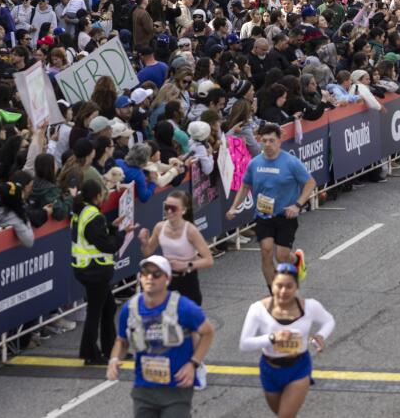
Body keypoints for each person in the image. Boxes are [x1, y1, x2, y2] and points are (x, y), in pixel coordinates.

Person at [106, 256, 215, 418]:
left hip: (176, 389)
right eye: (145, 273)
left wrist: (193, 364)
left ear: (167, 279)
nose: (150, 278)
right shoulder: (130, 308)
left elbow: (208, 332)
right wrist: (114, 360)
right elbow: (122, 341)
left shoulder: (183, 307)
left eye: (156, 274)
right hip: (144, 389)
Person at [238, 262, 335, 418]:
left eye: (289, 286)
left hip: (298, 367)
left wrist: (321, 335)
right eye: (279, 286)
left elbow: (329, 320)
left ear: (296, 287)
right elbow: (244, 344)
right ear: (272, 285)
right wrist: (272, 338)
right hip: (270, 369)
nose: (283, 291)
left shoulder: (310, 307)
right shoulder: (258, 309)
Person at [226, 123, 316, 287]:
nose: (267, 144)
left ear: (279, 141)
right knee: (266, 252)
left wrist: (297, 205)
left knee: (282, 256)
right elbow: (245, 186)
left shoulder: (291, 162)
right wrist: (234, 207)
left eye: (271, 140)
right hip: (263, 215)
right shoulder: (255, 163)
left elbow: (310, 183)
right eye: (264, 140)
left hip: (285, 215)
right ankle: (274, 292)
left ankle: (296, 259)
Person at [72, 179, 132, 365]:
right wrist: (121, 234)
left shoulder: (82, 212)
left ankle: (109, 350)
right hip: (94, 270)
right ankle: (90, 353)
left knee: (108, 308)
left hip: (87, 269)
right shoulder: (93, 216)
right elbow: (107, 245)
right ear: (97, 196)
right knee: (95, 312)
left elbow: (96, 236)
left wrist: (112, 227)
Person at [140, 190, 214, 305]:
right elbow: (147, 253)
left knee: (190, 318)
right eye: (167, 207)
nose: (169, 211)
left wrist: (186, 265)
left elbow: (209, 260)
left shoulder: (190, 230)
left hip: (187, 278)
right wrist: (144, 243)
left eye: (174, 208)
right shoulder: (159, 227)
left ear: (183, 210)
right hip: (166, 276)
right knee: (162, 316)